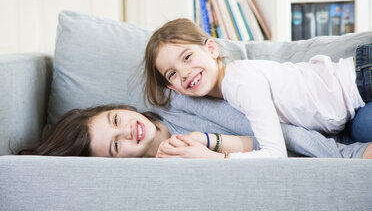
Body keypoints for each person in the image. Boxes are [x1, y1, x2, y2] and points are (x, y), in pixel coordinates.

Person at [144, 18, 372, 158]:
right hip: (355, 108)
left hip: (361, 78)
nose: (184, 73)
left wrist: (209, 156)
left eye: (187, 57)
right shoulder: (228, 94)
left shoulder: (240, 82)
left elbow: (275, 154)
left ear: (211, 49)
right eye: (172, 73)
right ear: (172, 87)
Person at [18, 104, 253, 159]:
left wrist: (207, 141)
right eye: (116, 145)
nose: (127, 131)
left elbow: (268, 142)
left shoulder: (178, 103)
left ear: (120, 107)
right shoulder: (165, 169)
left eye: (116, 119)